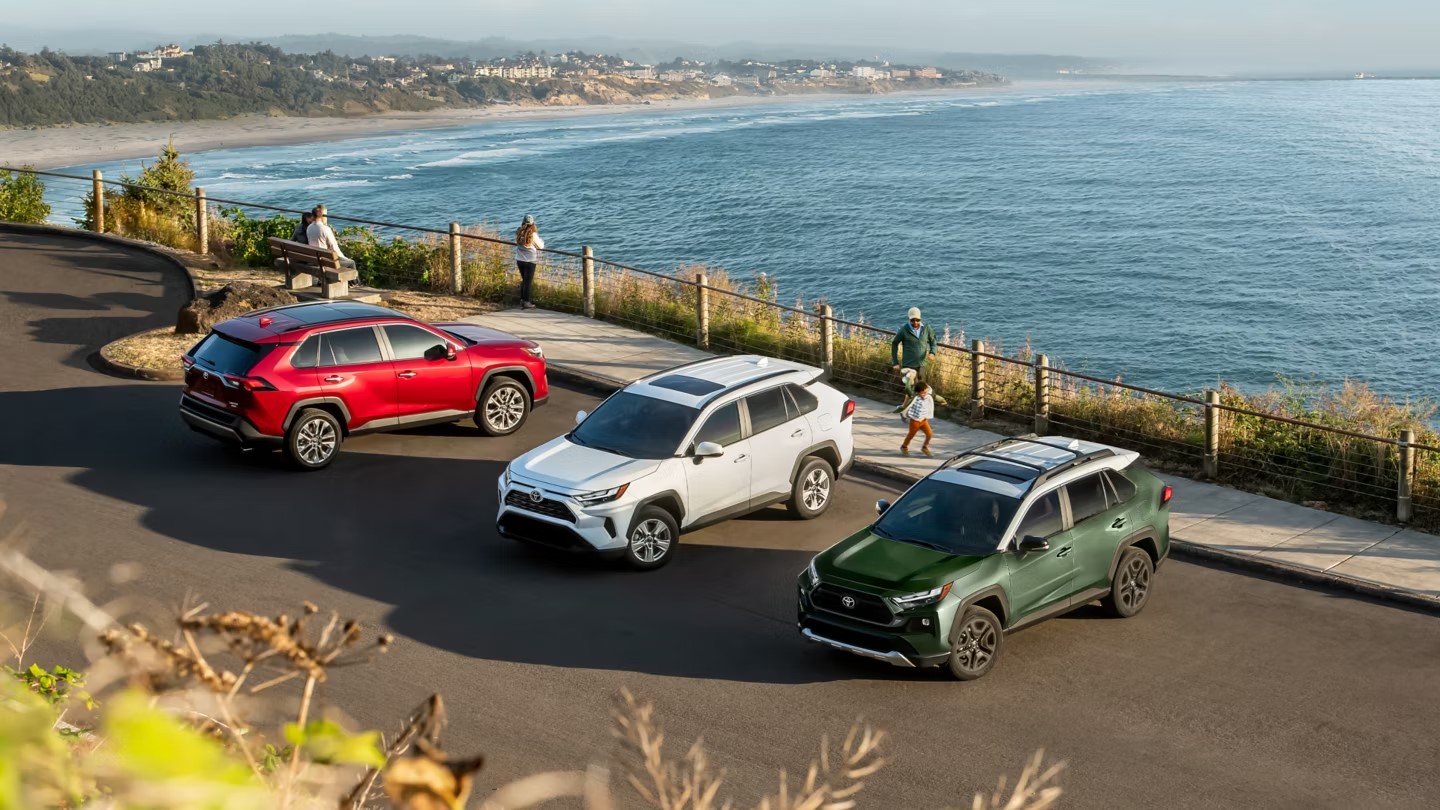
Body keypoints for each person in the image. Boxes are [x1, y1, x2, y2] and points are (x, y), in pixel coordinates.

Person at [891, 307, 938, 411]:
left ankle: (914, 406)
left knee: (920, 387)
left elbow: (933, 341)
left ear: (920, 319)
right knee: (910, 387)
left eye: (917, 320)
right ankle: (909, 406)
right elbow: (894, 344)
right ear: (909, 319)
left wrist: (932, 352)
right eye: (912, 320)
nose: (915, 322)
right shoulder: (904, 330)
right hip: (909, 365)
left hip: (922, 364)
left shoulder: (926, 328)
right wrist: (895, 362)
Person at [305, 205, 356, 269]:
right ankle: (356, 279)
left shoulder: (309, 228)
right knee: (351, 263)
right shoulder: (325, 229)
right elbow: (333, 247)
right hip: (326, 261)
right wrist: (344, 258)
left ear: (312, 216)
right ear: (322, 216)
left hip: (314, 258)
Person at [513, 214, 544, 309]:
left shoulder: (519, 231)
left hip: (520, 260)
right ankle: (527, 302)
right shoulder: (533, 235)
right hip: (530, 261)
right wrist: (542, 241)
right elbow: (540, 246)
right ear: (532, 223)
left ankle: (522, 300)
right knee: (528, 282)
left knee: (524, 281)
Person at [901, 381, 935, 457]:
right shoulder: (915, 398)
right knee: (911, 435)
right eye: (922, 393)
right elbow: (907, 401)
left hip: (923, 420)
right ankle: (904, 447)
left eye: (925, 392)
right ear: (918, 393)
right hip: (915, 420)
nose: (924, 394)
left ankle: (924, 447)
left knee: (929, 434)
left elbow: (933, 398)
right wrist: (904, 405)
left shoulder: (928, 397)